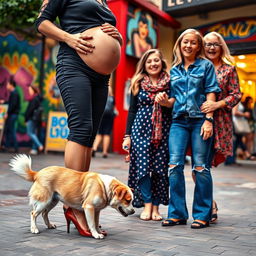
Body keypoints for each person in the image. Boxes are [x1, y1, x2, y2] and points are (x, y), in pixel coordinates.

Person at [35, 0, 123, 237]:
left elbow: (105, 31)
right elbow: (41, 23)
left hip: (101, 78)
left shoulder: (104, 1)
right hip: (74, 65)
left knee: (89, 134)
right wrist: (68, 38)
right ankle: (73, 205)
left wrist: (118, 39)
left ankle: (82, 202)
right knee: (80, 128)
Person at [156, 29, 220, 229]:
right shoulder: (174, 70)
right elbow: (174, 99)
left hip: (200, 120)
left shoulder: (206, 66)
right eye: (185, 41)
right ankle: (177, 213)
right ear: (180, 44)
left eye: (193, 42)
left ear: (198, 46)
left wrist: (209, 120)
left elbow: (211, 92)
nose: (188, 45)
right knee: (174, 166)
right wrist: (165, 102)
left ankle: (203, 214)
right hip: (178, 122)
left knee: (200, 167)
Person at [122, 49, 171, 221]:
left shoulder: (170, 82)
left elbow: (174, 106)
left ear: (161, 62)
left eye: (156, 60)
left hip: (163, 131)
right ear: (144, 64)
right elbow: (132, 111)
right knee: (142, 168)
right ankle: (147, 204)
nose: (153, 64)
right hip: (140, 130)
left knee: (159, 168)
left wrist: (165, 103)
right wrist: (127, 136)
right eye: (149, 61)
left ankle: (156, 207)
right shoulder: (138, 83)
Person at [198, 31, 242, 222]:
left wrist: (217, 104)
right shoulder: (196, 67)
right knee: (198, 165)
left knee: (204, 165)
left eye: (215, 44)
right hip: (196, 121)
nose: (211, 47)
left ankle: (208, 205)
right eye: (207, 44)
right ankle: (210, 204)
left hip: (220, 122)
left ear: (221, 47)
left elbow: (236, 94)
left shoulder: (228, 69)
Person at [92, 87, 116, 158]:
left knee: (99, 133)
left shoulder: (99, 96)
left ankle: (94, 148)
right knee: (107, 134)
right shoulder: (112, 98)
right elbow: (114, 109)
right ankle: (105, 152)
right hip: (109, 117)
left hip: (101, 115)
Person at [1, 76, 20, 153]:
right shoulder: (13, 93)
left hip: (13, 115)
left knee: (11, 131)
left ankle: (14, 147)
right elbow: (11, 103)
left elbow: (13, 105)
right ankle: (7, 146)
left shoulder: (14, 93)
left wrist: (7, 113)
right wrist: (4, 102)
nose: (6, 86)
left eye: (8, 84)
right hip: (13, 114)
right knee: (9, 130)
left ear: (11, 85)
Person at [25, 85, 44, 155]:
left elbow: (30, 110)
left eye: (30, 90)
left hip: (31, 118)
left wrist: (26, 118)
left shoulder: (34, 98)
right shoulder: (37, 98)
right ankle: (34, 149)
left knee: (30, 133)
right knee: (33, 133)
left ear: (33, 90)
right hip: (36, 119)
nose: (29, 91)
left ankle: (39, 145)